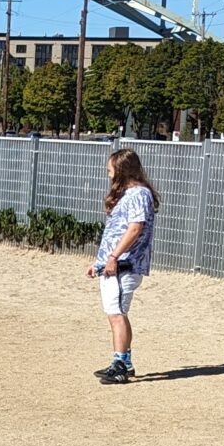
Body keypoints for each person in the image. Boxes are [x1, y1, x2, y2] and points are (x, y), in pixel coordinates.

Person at [87, 147, 158, 384]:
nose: (109, 175)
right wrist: (100, 262)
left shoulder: (138, 194)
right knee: (116, 313)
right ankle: (124, 361)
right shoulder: (131, 194)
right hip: (115, 264)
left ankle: (120, 364)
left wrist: (113, 257)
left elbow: (135, 228)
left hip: (124, 265)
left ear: (123, 170)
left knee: (116, 314)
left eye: (111, 170)